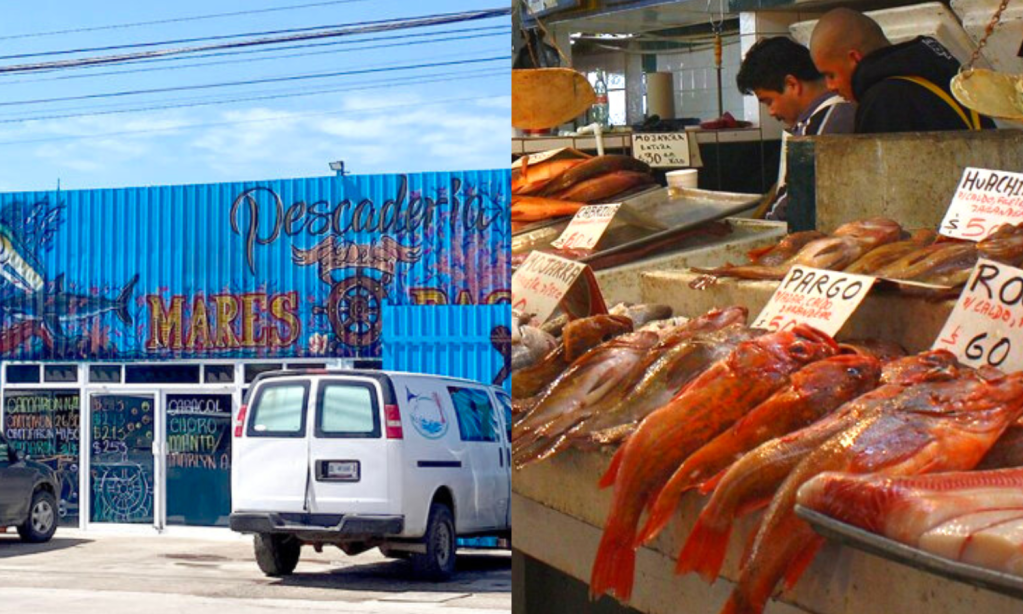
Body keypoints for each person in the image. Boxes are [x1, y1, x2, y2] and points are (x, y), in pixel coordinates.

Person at [810, 8, 995, 133]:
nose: (830, 86)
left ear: (854, 58)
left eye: (830, 75)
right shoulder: (936, 69)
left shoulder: (883, 100)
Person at [736, 36, 855, 221]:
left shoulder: (826, 121)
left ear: (792, 84)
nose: (771, 112)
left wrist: (759, 234)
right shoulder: (816, 119)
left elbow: (795, 200)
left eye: (769, 101)